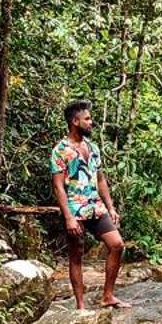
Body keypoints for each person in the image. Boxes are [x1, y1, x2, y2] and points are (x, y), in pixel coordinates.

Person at [50, 98, 127, 309]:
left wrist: (110, 207)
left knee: (117, 245)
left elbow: (100, 179)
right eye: (87, 119)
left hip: (95, 205)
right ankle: (81, 306)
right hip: (75, 208)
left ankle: (107, 296)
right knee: (77, 255)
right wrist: (68, 217)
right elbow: (58, 187)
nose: (91, 122)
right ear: (75, 121)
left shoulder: (92, 147)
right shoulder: (60, 150)